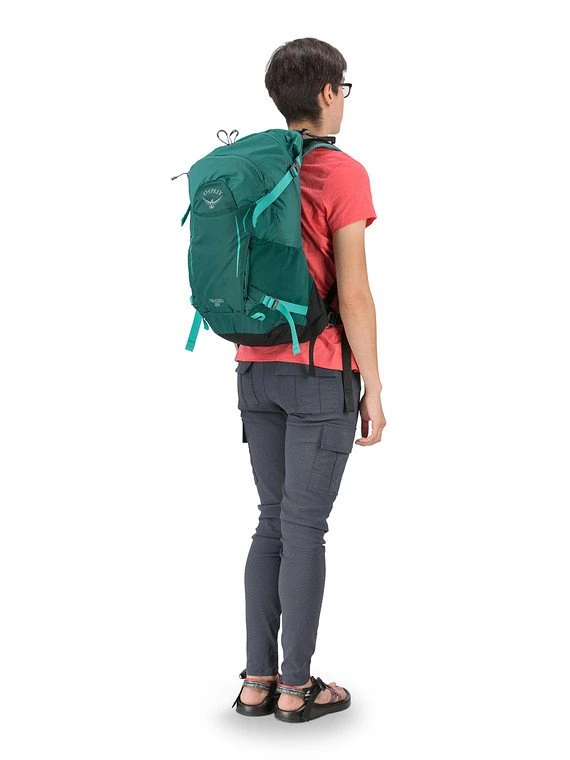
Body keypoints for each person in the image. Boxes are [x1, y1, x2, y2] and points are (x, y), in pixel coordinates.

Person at [232, 37, 387, 722]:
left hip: (253, 368)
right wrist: (373, 384)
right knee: (303, 527)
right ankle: (296, 689)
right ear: (327, 93)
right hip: (320, 373)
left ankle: (256, 682)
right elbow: (353, 294)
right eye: (342, 89)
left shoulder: (251, 169)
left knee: (272, 521)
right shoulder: (341, 173)